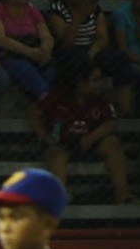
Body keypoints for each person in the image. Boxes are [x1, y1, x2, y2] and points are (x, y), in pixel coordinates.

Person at [29, 58, 134, 204]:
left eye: (100, 79)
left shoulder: (101, 99)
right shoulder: (58, 96)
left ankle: (122, 194)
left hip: (89, 142)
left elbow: (111, 123)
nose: (100, 84)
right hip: (63, 142)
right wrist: (44, 135)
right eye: (94, 80)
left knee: (113, 144)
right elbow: (34, 112)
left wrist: (89, 138)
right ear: (80, 82)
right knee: (56, 156)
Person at [46, 0, 138, 116]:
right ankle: (80, 110)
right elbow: (66, 43)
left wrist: (91, 52)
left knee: (119, 57)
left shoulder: (94, 9)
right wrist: (77, 18)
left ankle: (125, 109)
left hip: (92, 49)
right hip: (69, 51)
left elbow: (102, 38)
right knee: (78, 59)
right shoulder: (57, 10)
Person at [0, 0, 57, 104]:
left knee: (49, 70)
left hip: (35, 51)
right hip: (12, 55)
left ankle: (40, 104)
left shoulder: (32, 10)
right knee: (25, 69)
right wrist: (29, 52)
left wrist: (45, 50)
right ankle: (47, 102)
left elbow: (46, 35)